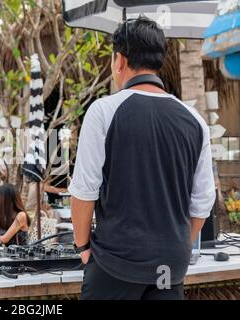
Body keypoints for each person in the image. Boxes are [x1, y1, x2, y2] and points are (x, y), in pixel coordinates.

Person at [69, 17, 215, 300]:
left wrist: (82, 248)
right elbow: (202, 203)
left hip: (114, 266)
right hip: (169, 269)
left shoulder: (104, 112)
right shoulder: (195, 122)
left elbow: (84, 192)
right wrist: (174, 248)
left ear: (119, 61)